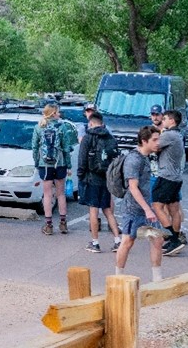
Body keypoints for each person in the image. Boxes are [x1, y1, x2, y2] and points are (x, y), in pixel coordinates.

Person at [115, 125, 168, 282]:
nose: (158, 143)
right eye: (155, 140)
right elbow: (133, 187)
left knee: (157, 240)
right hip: (134, 209)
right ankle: (118, 278)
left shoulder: (145, 157)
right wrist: (147, 209)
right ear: (144, 141)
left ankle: (157, 279)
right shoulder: (133, 159)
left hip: (147, 208)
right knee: (127, 241)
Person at [32, 102, 78, 236]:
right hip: (60, 164)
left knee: (47, 194)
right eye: (58, 111)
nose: (59, 114)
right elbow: (66, 147)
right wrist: (68, 165)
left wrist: (37, 162)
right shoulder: (62, 127)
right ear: (53, 113)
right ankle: (63, 223)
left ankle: (48, 225)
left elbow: (35, 147)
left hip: (45, 164)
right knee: (61, 194)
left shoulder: (39, 127)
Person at [78, 110, 120, 253]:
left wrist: (81, 176)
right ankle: (117, 240)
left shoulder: (88, 138)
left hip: (92, 177)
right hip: (106, 178)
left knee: (93, 211)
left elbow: (82, 159)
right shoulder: (111, 138)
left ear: (90, 123)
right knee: (108, 210)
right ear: (102, 123)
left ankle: (95, 243)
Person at [153, 109, 187, 255]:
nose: (163, 120)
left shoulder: (169, 135)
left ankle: (174, 239)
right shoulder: (178, 134)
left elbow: (154, 146)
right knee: (174, 209)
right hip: (176, 177)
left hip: (166, 176)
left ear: (172, 121)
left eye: (165, 118)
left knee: (157, 205)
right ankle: (175, 238)